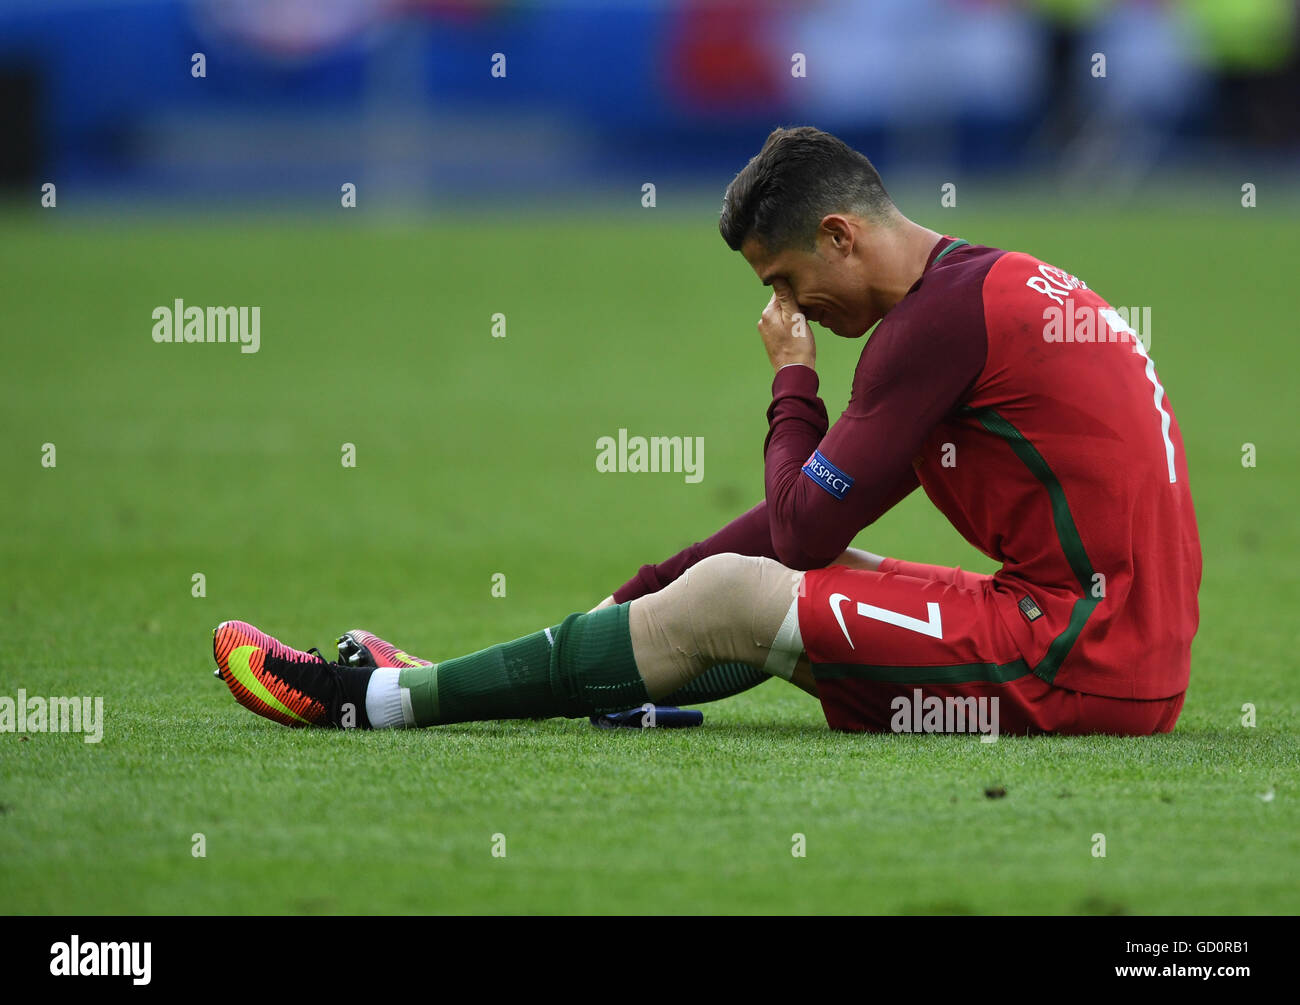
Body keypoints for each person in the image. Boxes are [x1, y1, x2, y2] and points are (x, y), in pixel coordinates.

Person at [212, 126, 1200, 737]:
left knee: (740, 593)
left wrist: (793, 386)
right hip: (1120, 658)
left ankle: (377, 702)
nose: (784, 306)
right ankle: (569, 677)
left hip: (1075, 659)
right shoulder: (983, 290)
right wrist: (640, 592)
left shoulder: (932, 326)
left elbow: (797, 529)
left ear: (840, 237)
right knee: (764, 584)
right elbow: (811, 527)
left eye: (780, 280)